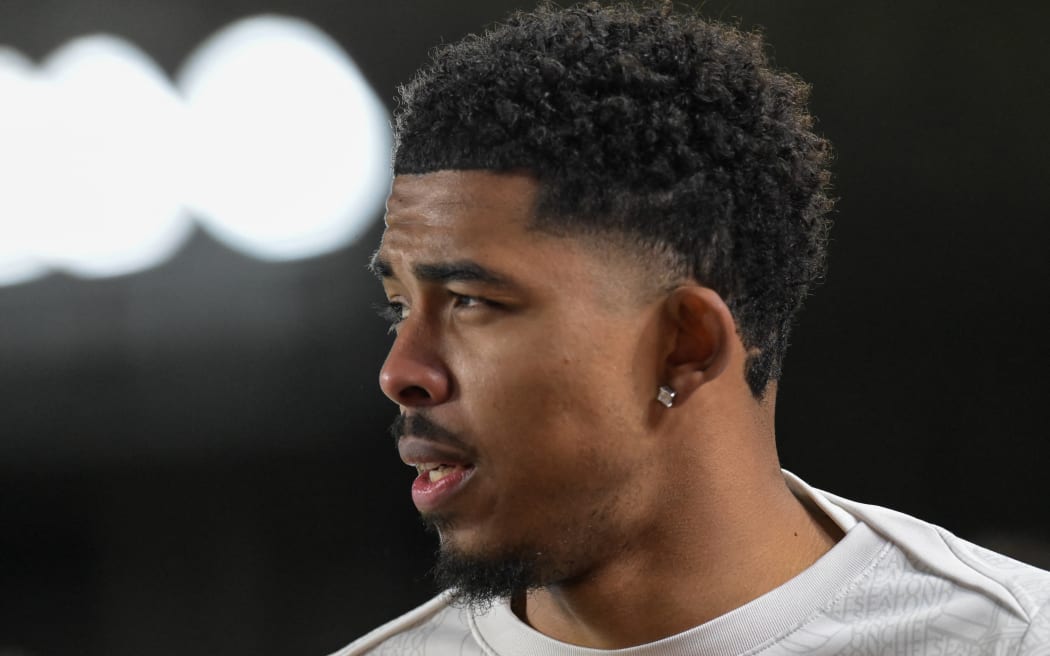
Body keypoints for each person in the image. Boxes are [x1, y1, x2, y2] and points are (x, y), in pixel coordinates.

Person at [332, 2, 1050, 654]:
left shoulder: (1008, 640)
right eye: (399, 306)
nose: (401, 372)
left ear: (685, 344)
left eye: (470, 301)